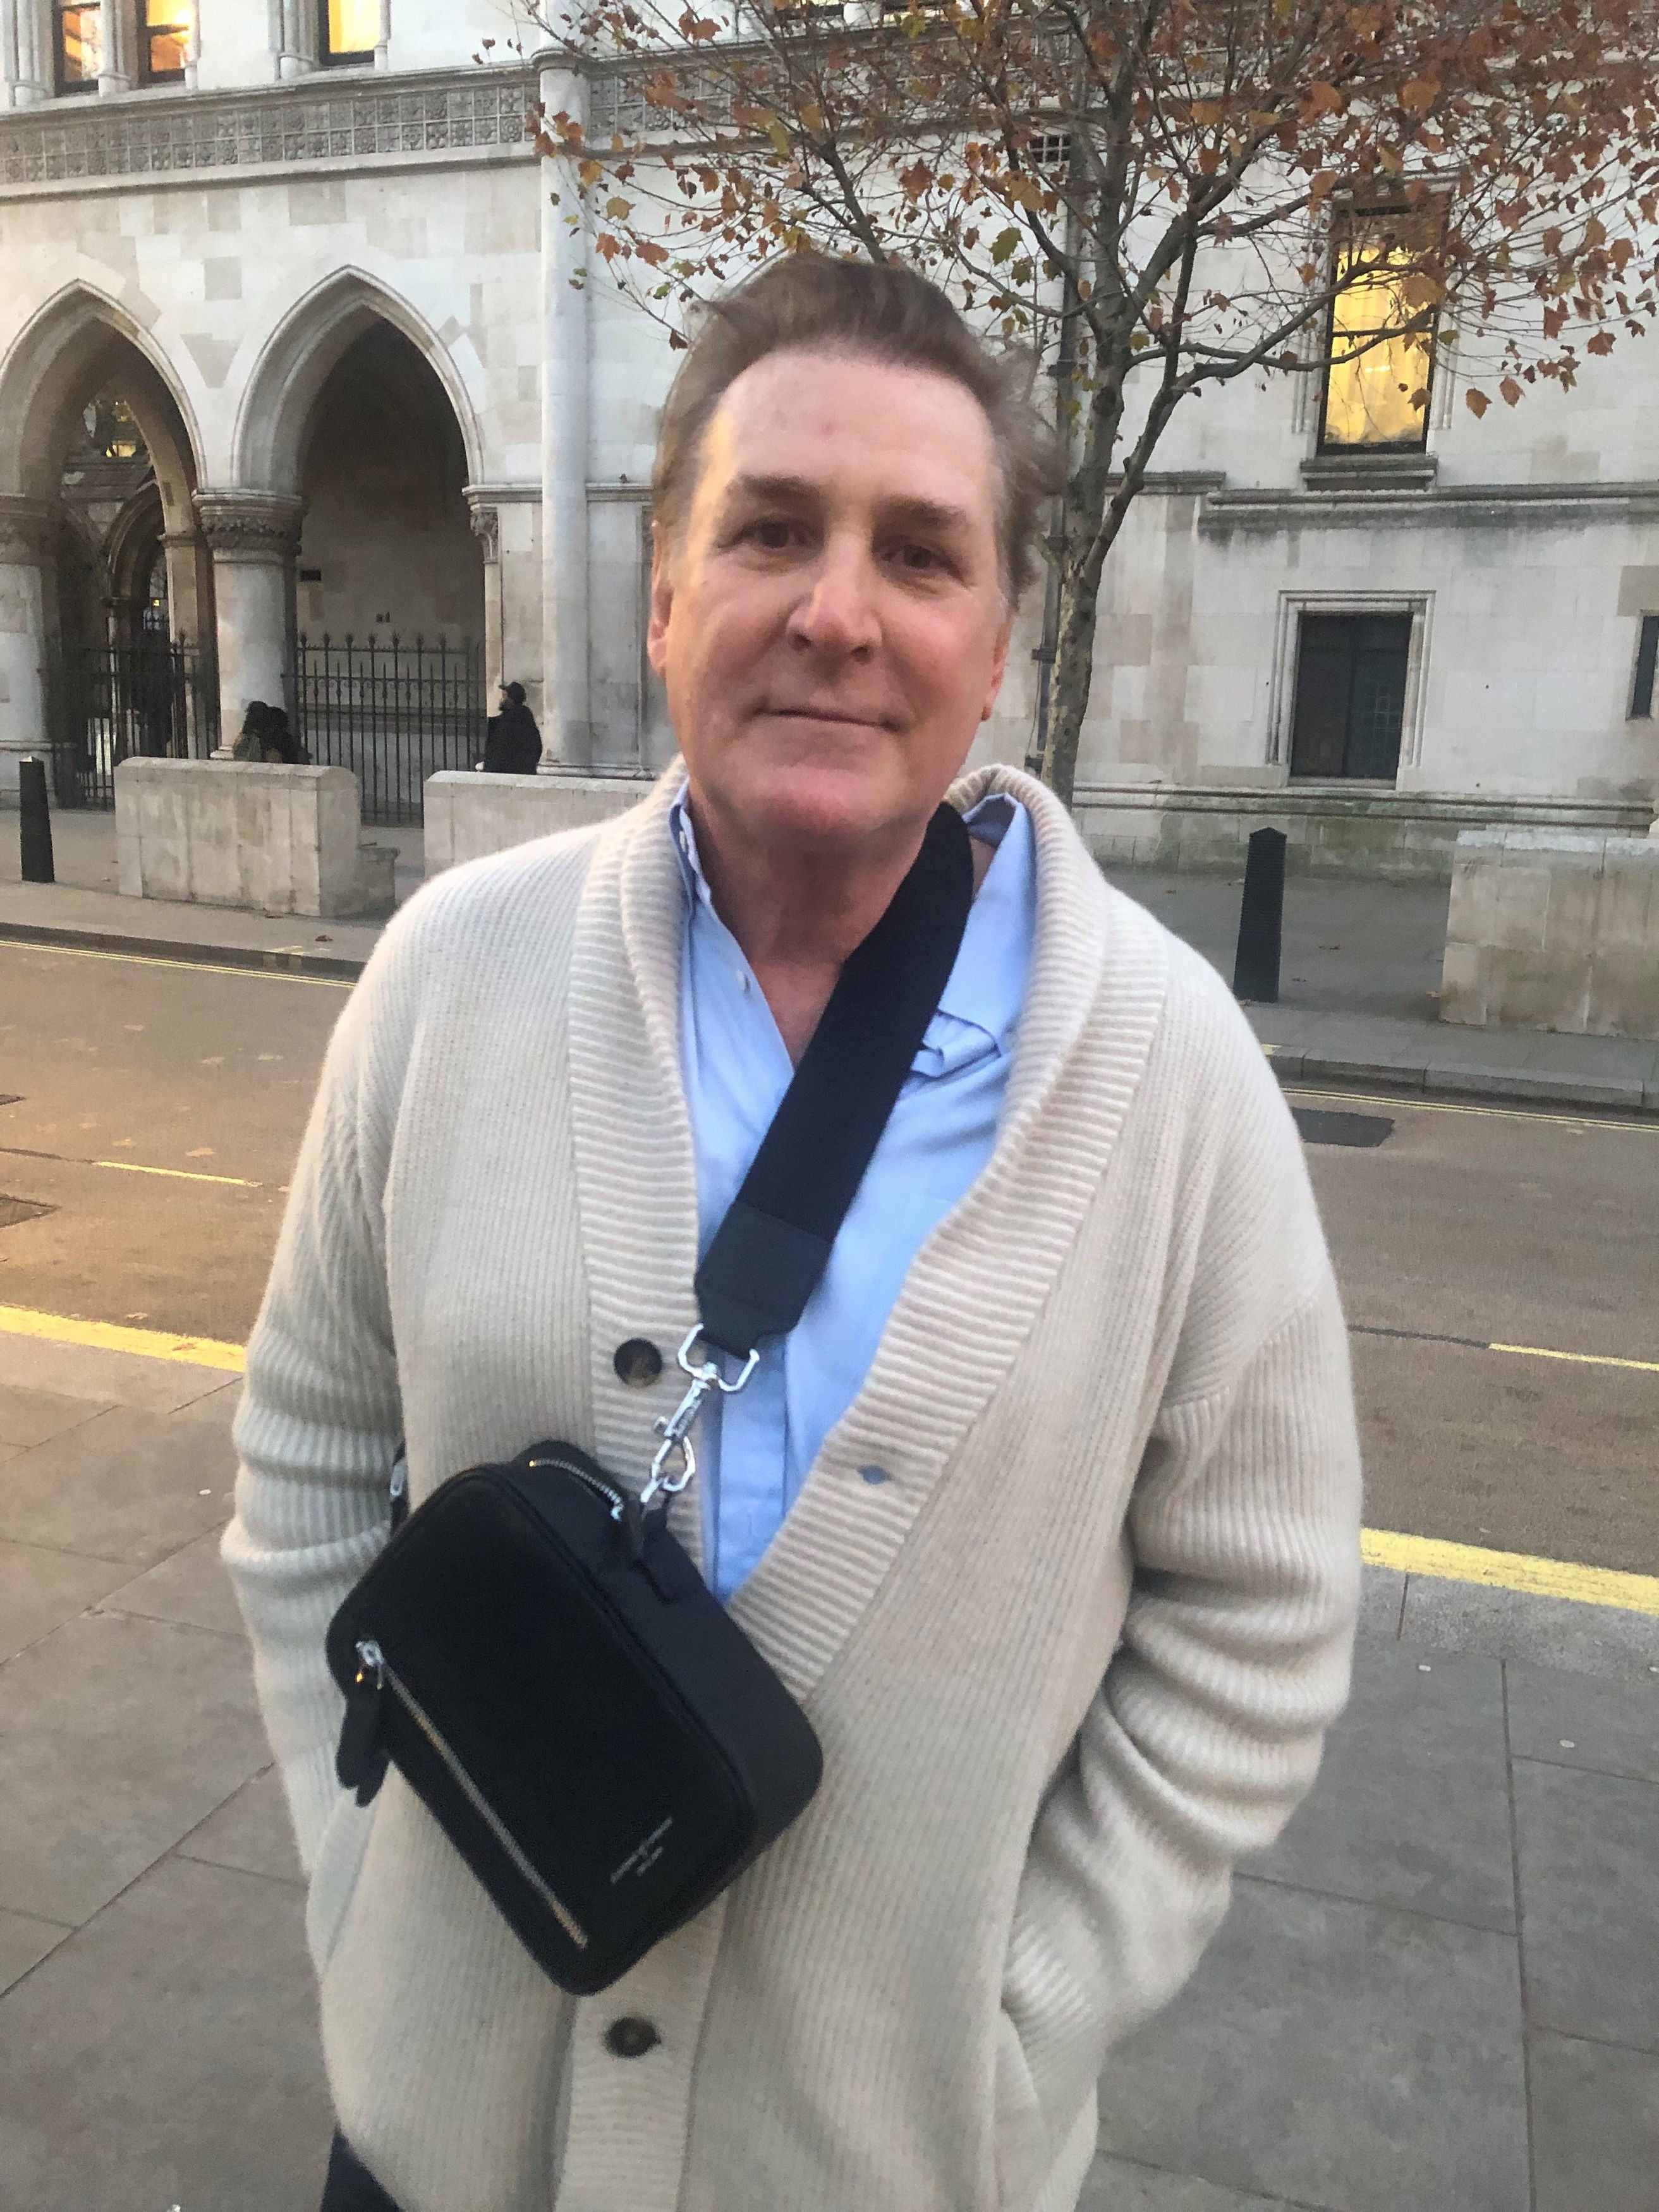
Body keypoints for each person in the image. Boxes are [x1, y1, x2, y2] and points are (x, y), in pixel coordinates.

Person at [225, 257, 1361, 2212]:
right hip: (434, 2143)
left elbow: (1260, 1608)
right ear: (662, 591)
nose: (834, 609)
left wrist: (1016, 2004)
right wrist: (366, 1881)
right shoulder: (448, 978)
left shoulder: (1169, 1078)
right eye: (768, 530)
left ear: (992, 637)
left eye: (918, 552)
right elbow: (309, 1451)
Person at [480, 679, 542, 774]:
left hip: (504, 773)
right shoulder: (527, 718)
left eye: (505, 696)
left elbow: (495, 753)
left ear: (511, 700)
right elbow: (537, 747)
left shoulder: (503, 722)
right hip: (525, 772)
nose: (501, 700)